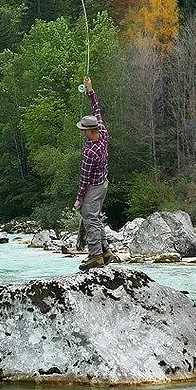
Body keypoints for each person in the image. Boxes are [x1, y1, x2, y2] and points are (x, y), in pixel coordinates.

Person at [74, 76, 116, 271]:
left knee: (89, 218)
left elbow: (84, 179)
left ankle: (95, 256)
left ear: (90, 131)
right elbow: (97, 110)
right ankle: (105, 251)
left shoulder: (90, 152)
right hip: (103, 184)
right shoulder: (103, 132)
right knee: (96, 217)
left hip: (92, 187)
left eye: (84, 130)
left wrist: (78, 200)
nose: (83, 133)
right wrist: (90, 90)